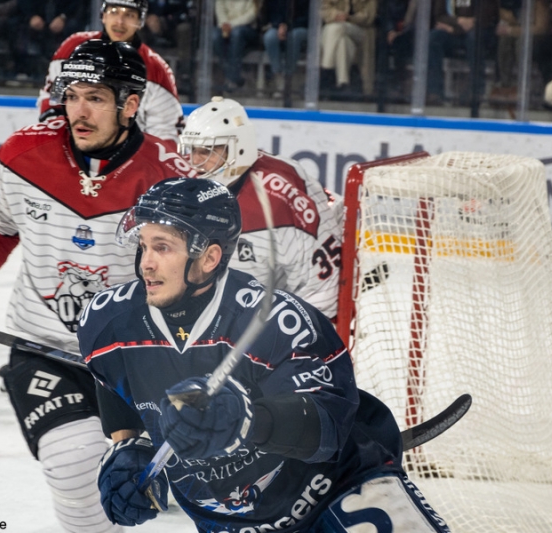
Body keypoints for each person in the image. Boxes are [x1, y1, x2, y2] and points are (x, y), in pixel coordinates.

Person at [0, 40, 197, 533]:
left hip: (137, 355)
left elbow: (199, 272)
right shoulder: (23, 157)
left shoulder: (170, 177)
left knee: (163, 488)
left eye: (95, 97)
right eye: (71, 95)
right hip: (43, 345)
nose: (79, 111)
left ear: (130, 105)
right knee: (74, 464)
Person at [77, 177, 452, 533]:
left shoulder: (277, 322)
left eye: (163, 247)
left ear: (209, 258)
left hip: (339, 492)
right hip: (228, 523)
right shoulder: (107, 322)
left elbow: (328, 427)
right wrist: (129, 446)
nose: (145, 263)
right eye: (143, 245)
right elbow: (117, 381)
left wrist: (248, 420)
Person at [179, 97, 343, 319]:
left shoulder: (278, 201)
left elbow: (319, 290)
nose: (194, 162)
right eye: (193, 150)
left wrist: (302, 339)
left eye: (207, 151)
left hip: (275, 324)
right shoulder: (188, 186)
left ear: (238, 148)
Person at [37, 0, 183, 148]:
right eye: (114, 12)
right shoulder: (72, 48)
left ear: (140, 22)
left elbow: (165, 136)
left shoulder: (157, 70)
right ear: (103, 16)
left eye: (129, 15)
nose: (120, 22)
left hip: (130, 161)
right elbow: (53, 100)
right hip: (73, 151)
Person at [425, 0, 498, 106]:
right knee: (433, 38)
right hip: (452, 29)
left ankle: (476, 91)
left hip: (478, 30)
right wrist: (459, 21)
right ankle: (434, 92)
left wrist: (454, 28)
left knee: (473, 39)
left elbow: (487, 16)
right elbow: (439, 16)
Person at [320, 0, 377, 96]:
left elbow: (369, 16)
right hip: (336, 29)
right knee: (343, 41)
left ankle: (325, 70)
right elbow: (322, 9)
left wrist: (348, 18)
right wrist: (335, 15)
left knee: (334, 28)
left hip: (361, 30)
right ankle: (343, 83)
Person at [261, 0, 309, 98]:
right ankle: (278, 77)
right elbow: (271, 14)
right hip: (279, 27)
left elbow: (308, 16)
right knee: (270, 37)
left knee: (294, 36)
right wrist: (279, 25)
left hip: (301, 27)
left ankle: (289, 76)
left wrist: (289, 26)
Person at [213, 0, 259, 93]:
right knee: (214, 36)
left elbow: (251, 14)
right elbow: (220, 12)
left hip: (246, 29)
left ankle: (232, 78)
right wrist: (224, 24)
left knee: (236, 34)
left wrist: (231, 25)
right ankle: (229, 75)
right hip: (224, 27)